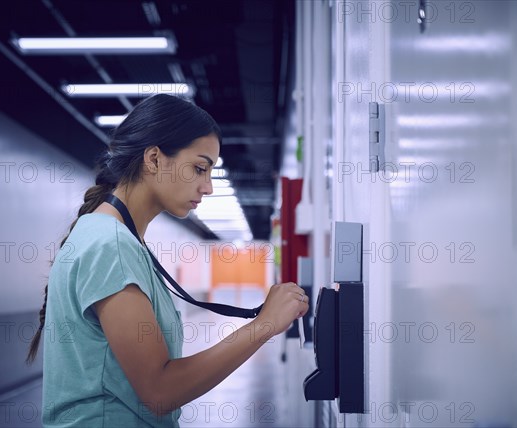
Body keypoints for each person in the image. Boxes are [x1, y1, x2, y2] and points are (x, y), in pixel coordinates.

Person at [26, 94, 309, 427]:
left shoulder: (118, 239)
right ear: (154, 159)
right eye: (199, 168)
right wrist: (264, 326)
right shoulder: (110, 245)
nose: (208, 187)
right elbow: (160, 390)